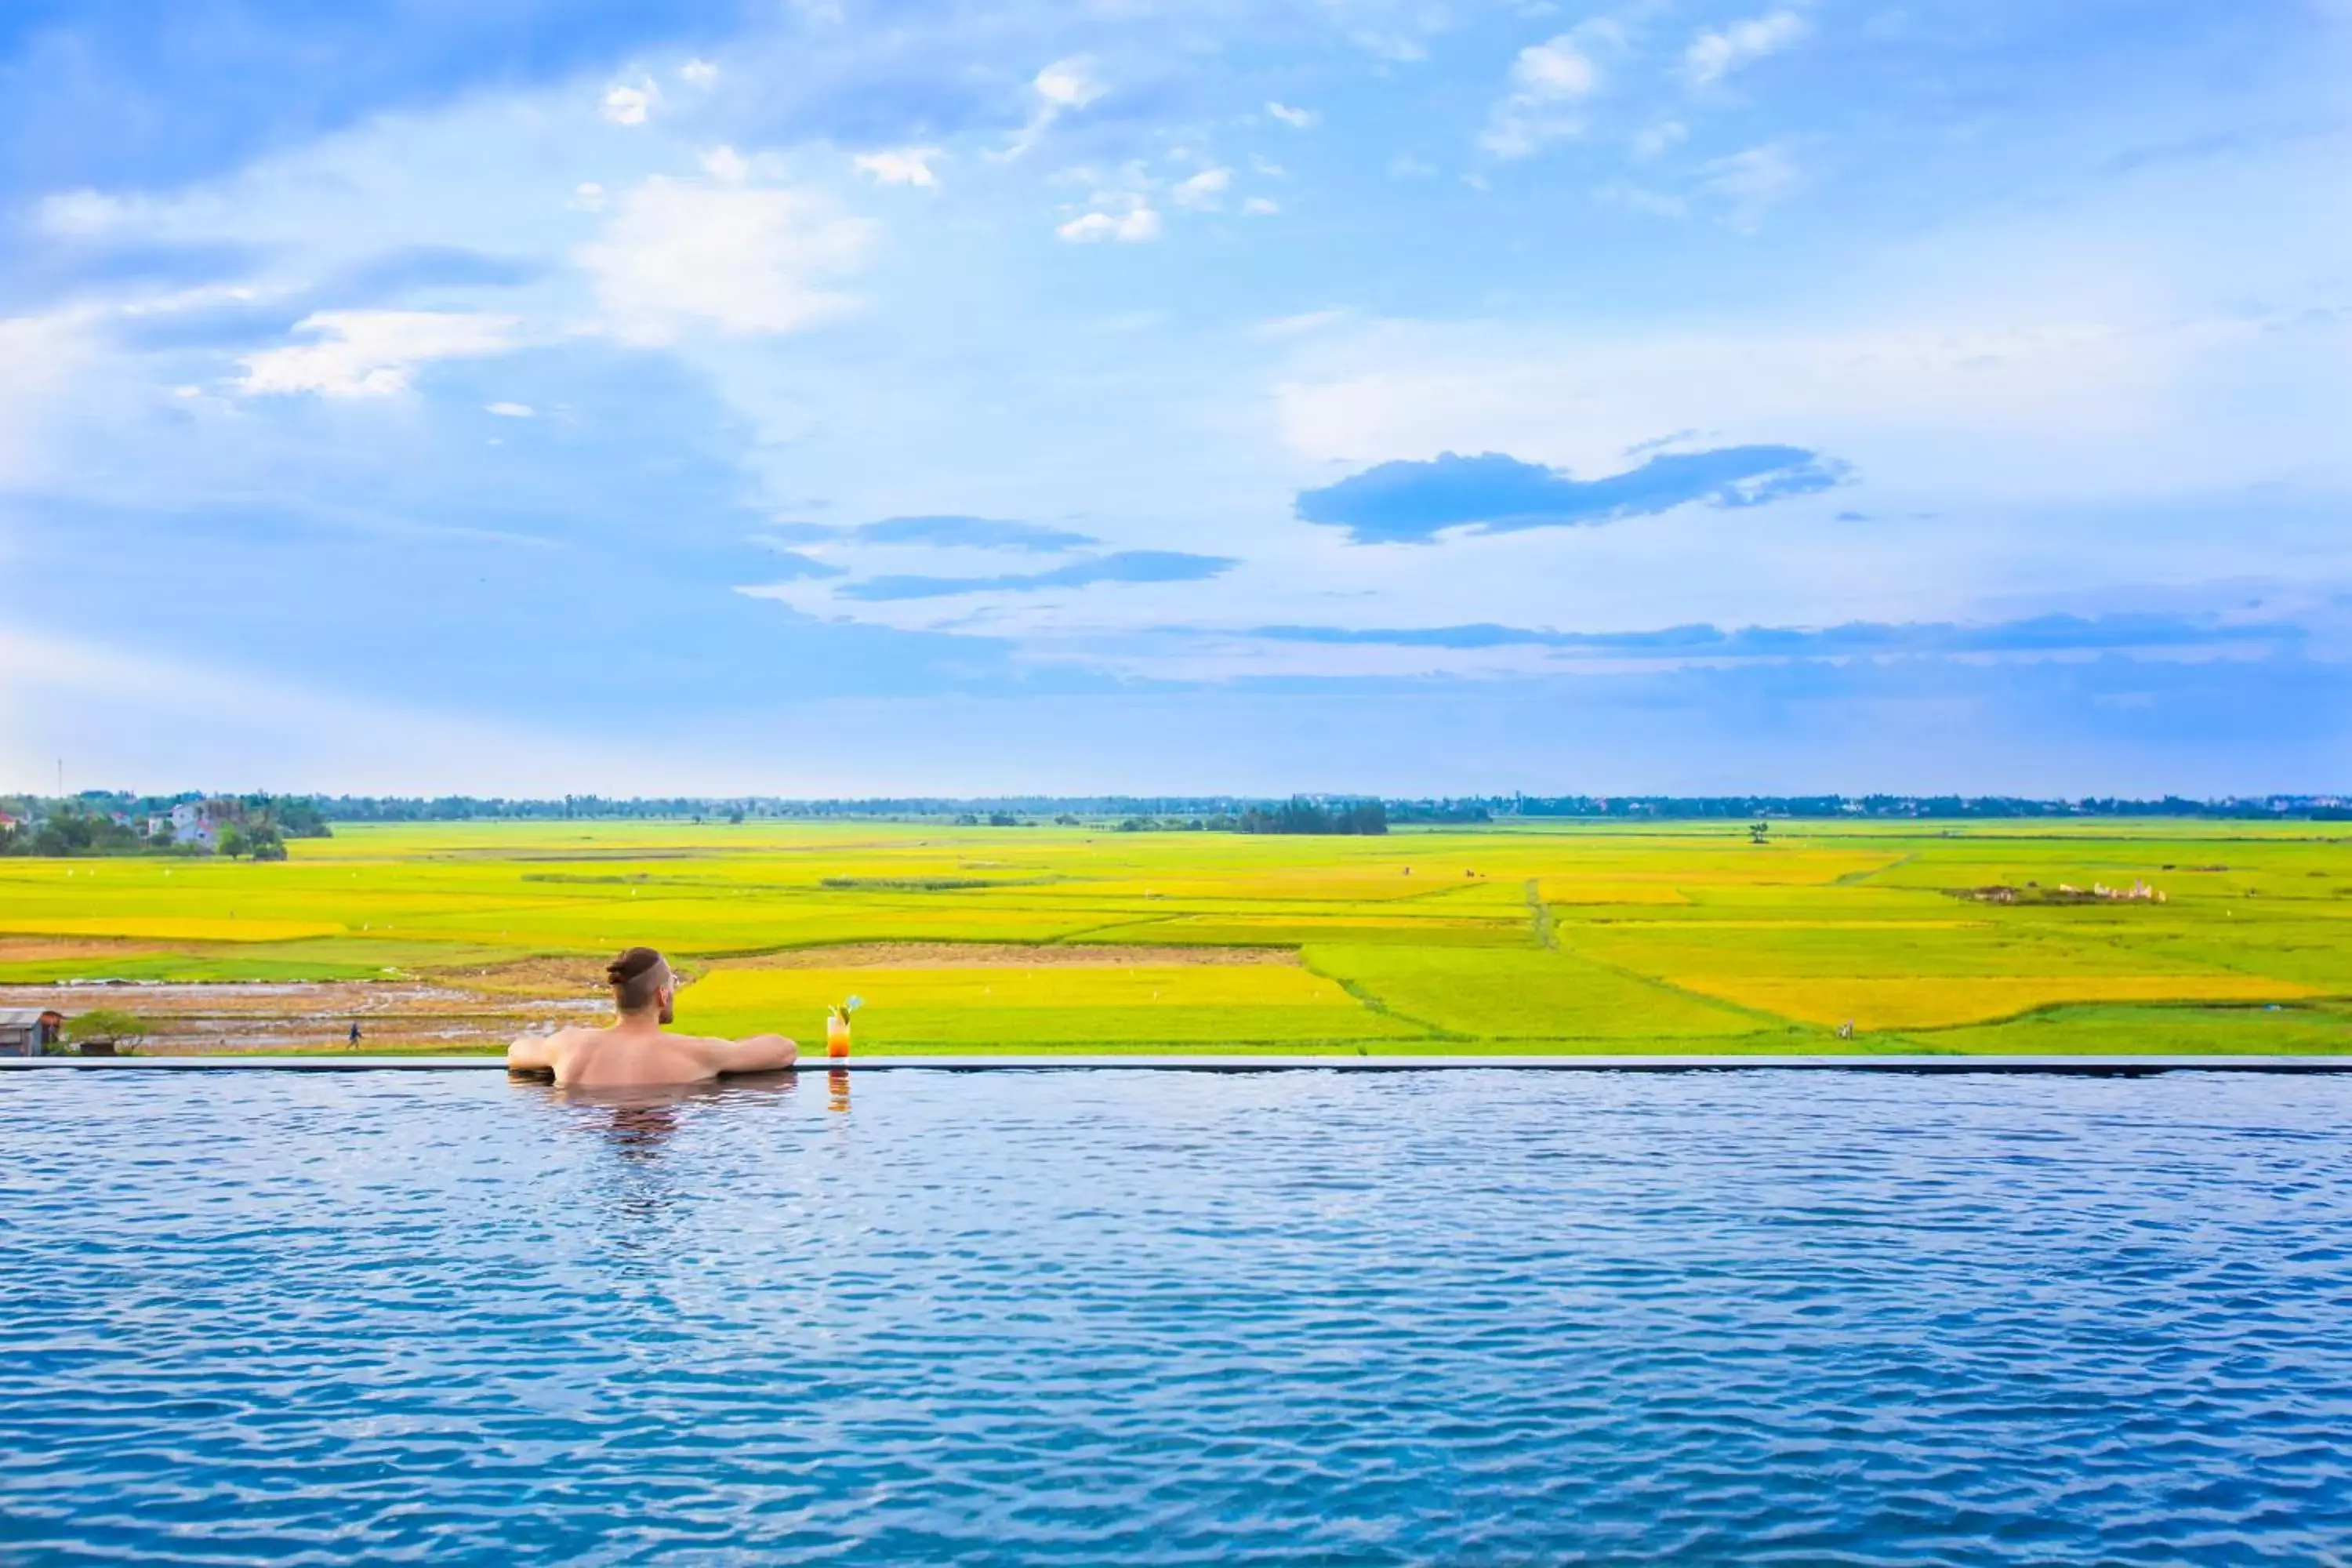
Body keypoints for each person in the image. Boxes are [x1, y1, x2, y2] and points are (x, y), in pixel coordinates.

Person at [507, 946, 797, 1087]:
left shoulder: (568, 1045)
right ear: (662, 995)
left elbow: (516, 1051)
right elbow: (784, 1050)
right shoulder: (697, 1052)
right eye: (673, 985)